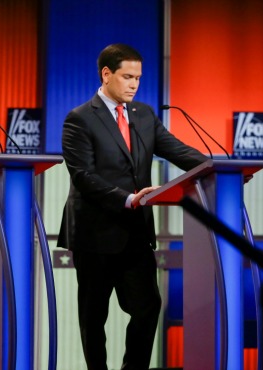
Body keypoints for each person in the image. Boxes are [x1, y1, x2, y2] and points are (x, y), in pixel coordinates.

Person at [57, 43, 208, 370]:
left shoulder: (144, 115)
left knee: (148, 306)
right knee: (94, 318)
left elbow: (177, 151)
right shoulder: (79, 119)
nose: (134, 84)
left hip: (136, 234)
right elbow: (82, 176)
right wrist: (126, 198)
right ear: (106, 74)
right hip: (95, 235)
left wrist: (215, 169)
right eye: (127, 77)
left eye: (138, 77)